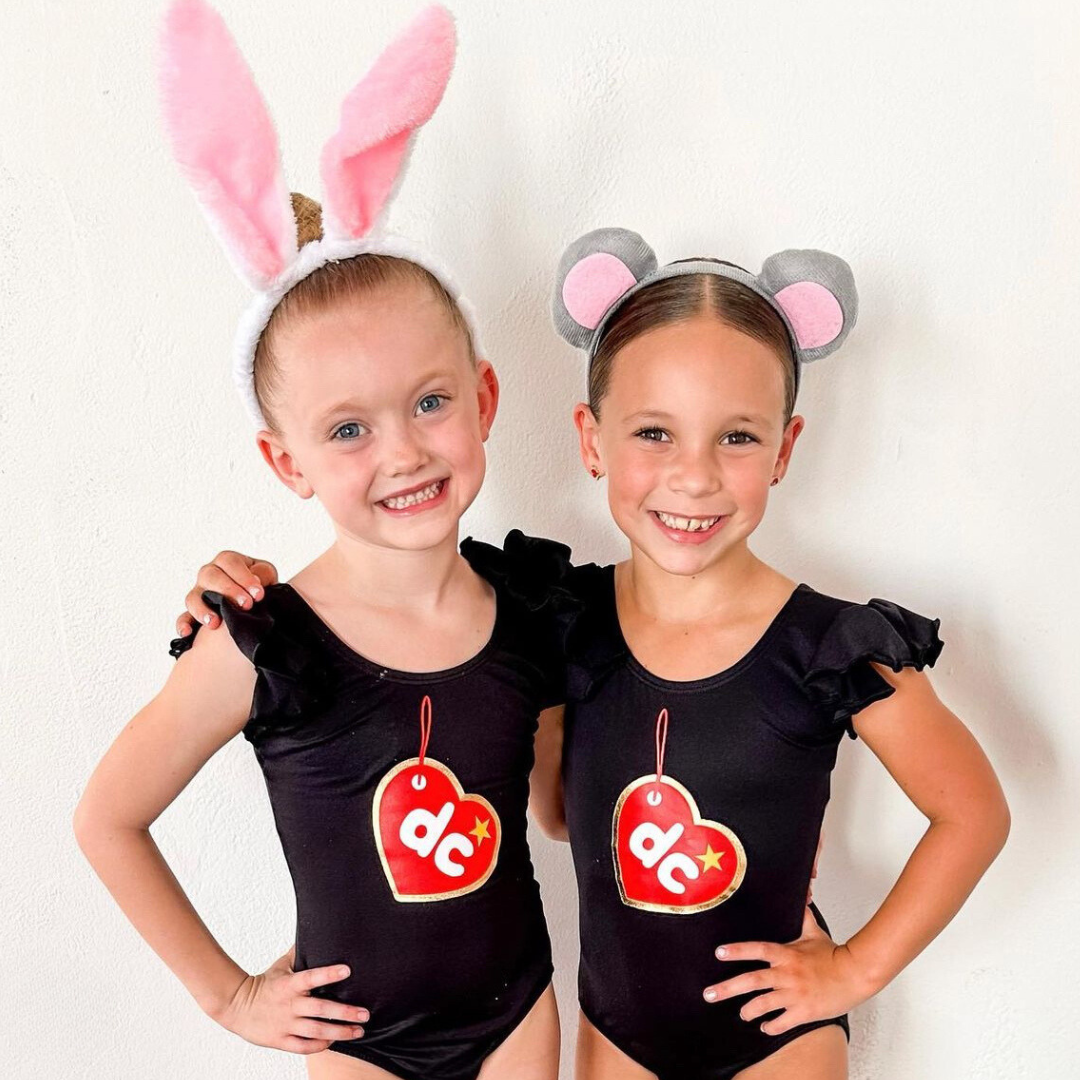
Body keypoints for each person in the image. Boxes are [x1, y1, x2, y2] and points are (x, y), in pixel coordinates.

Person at [182, 227, 1009, 1079]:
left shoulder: (830, 646)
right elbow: (556, 807)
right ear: (591, 439)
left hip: (778, 1042)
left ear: (785, 449)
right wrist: (238, 599)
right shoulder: (559, 619)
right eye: (654, 433)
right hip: (617, 1037)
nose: (694, 477)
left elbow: (974, 812)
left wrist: (855, 969)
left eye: (737, 438)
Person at [73, 5, 560, 1079]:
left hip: (519, 1011)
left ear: (483, 399)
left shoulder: (531, 609)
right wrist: (229, 994)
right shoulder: (259, 640)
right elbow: (108, 817)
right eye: (348, 429)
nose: (403, 452)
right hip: (358, 1044)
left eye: (430, 402)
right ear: (287, 463)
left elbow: (565, 813)